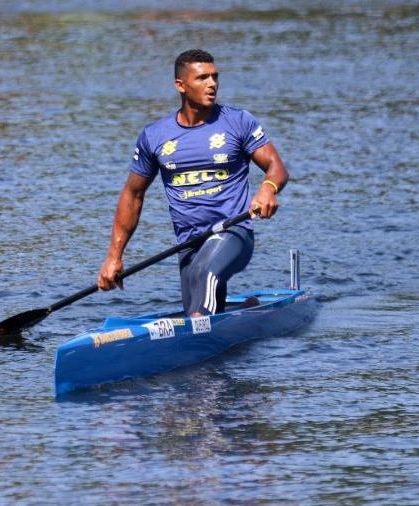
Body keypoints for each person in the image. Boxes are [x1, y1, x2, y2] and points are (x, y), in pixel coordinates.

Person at [97, 49, 289, 317]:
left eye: (215, 77)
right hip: (188, 243)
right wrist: (114, 256)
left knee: (203, 277)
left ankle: (202, 327)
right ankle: (243, 314)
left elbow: (276, 168)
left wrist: (268, 189)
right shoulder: (155, 136)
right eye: (202, 78)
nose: (212, 84)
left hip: (234, 232)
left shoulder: (238, 122)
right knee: (199, 301)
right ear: (181, 85)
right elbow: (133, 194)